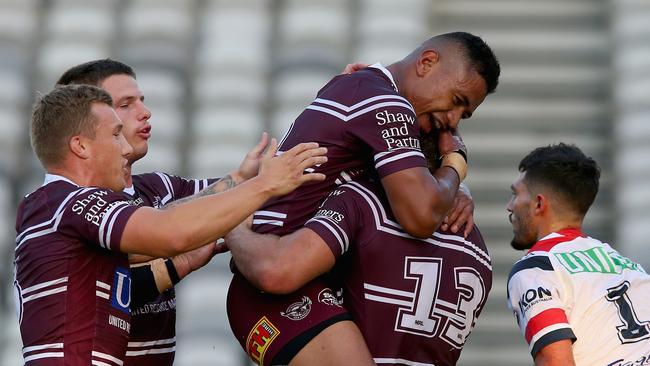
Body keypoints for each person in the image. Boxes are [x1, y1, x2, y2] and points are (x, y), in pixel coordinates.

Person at [227, 31, 500, 365]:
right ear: (427, 62)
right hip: (280, 280)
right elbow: (422, 216)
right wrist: (456, 164)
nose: (453, 121)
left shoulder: (364, 90)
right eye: (457, 100)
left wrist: (455, 188)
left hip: (308, 276)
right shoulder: (384, 100)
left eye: (465, 115)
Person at [14, 84, 326, 365]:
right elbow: (170, 232)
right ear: (80, 146)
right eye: (114, 135)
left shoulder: (62, 208)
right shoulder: (67, 202)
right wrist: (264, 186)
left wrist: (247, 182)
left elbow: (182, 219)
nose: (125, 148)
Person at [56, 58, 263, 365]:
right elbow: (115, 286)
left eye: (142, 100)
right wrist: (181, 262)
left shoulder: (159, 187)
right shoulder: (67, 205)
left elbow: (229, 201)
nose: (145, 112)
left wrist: (337, 98)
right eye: (126, 104)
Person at [225, 146, 492, 365]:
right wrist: (455, 175)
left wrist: (233, 226)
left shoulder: (364, 200)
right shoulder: (479, 248)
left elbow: (275, 270)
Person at [506, 143, 650, 365]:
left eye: (515, 194)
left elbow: (556, 361)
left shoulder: (536, 268)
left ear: (538, 203)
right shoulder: (629, 266)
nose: (510, 206)